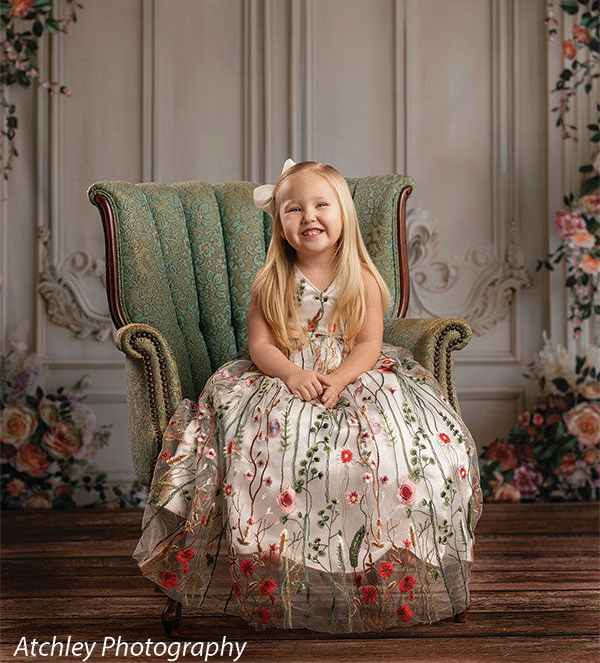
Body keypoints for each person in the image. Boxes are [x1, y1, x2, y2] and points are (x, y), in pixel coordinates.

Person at [133, 159, 483, 633]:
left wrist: (338, 379)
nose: (308, 216)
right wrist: (293, 374)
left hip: (355, 376)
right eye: (293, 209)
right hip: (282, 376)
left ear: (344, 214)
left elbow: (368, 345)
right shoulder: (270, 280)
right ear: (279, 222)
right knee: (264, 442)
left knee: (398, 445)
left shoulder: (361, 276)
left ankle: (375, 556)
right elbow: (260, 346)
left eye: (321, 205)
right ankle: (277, 561)